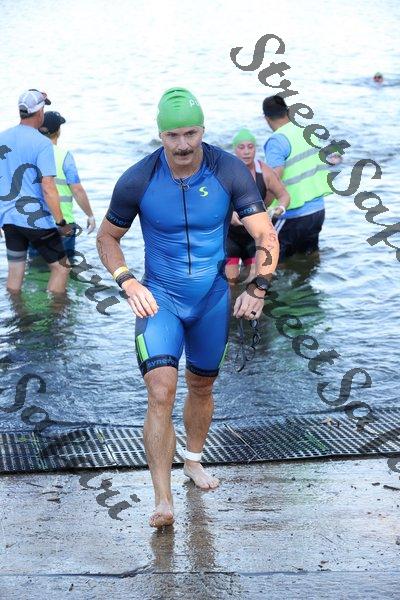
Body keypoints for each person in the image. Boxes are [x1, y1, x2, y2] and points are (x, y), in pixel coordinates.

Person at [97, 87, 279, 528]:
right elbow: (107, 237)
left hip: (212, 299)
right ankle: (163, 499)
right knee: (161, 391)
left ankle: (193, 459)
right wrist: (127, 281)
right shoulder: (138, 179)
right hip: (160, 299)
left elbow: (265, 235)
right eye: (173, 135)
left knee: (202, 386)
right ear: (160, 134)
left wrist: (257, 288)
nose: (182, 144)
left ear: (203, 130)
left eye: (191, 134)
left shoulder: (227, 170)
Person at [0, 89, 71, 293]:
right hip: (36, 220)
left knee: (15, 272)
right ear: (39, 112)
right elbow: (48, 186)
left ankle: (17, 311)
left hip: (9, 219)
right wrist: (60, 222)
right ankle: (56, 312)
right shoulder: (42, 143)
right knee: (61, 268)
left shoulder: (2, 138)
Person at [262, 95, 332, 262]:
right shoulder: (308, 132)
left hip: (292, 214)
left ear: (266, 118)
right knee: (310, 256)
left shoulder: (277, 140)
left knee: (273, 260)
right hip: (317, 211)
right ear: (288, 112)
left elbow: (274, 179)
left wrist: (262, 207)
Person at [226, 128, 290, 283]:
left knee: (256, 284)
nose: (246, 152)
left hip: (255, 238)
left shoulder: (265, 172)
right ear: (235, 150)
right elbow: (210, 204)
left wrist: (280, 208)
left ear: (255, 149)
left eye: (250, 147)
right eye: (241, 147)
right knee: (230, 285)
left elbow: (284, 195)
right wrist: (228, 214)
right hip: (230, 238)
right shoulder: (225, 172)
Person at [30, 111, 95, 259]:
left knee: (35, 267)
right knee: (64, 267)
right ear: (58, 131)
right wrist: (90, 215)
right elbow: (77, 190)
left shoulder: (28, 155)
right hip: (63, 224)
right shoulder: (64, 156)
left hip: (34, 224)